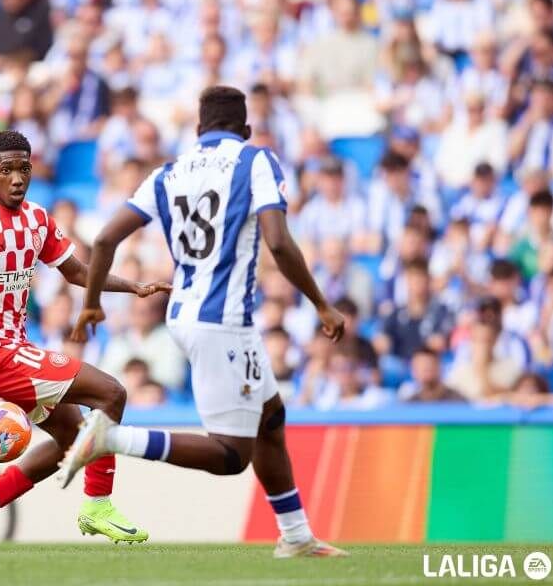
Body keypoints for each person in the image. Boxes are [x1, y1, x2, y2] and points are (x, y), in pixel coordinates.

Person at [68, 86, 348, 558]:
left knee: (271, 420)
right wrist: (320, 303)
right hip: (222, 321)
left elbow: (103, 240)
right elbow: (278, 243)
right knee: (232, 456)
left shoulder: (168, 173)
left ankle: (296, 536)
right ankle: (111, 438)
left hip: (187, 313)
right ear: (245, 130)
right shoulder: (255, 160)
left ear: (198, 131)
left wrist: (92, 301)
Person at [0, 130, 171, 550]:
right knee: (112, 393)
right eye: (6, 169)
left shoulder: (38, 220)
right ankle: (97, 505)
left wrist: (132, 286)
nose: (16, 178)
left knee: (74, 442)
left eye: (24, 168)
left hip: (18, 348)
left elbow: (79, 273)